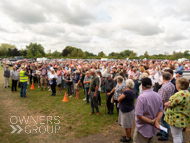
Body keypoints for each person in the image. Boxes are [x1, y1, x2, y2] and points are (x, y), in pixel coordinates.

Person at [133, 77, 163, 143]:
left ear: (142, 86)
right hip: (153, 127)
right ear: (151, 85)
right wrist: (156, 121)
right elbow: (161, 111)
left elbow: (139, 115)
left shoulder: (141, 97)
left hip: (143, 128)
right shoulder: (158, 95)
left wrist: (153, 121)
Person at [164, 78, 190, 143]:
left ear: (179, 85)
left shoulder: (180, 94)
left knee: (176, 136)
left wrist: (166, 104)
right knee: (179, 134)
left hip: (176, 118)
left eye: (176, 84)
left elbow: (170, 104)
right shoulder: (187, 92)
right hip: (182, 117)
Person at [157, 72, 175, 141]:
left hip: (164, 105)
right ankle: (162, 131)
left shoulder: (164, 87)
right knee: (163, 120)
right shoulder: (172, 85)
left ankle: (165, 135)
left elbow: (162, 99)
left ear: (163, 78)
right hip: (169, 103)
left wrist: (159, 107)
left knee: (165, 121)